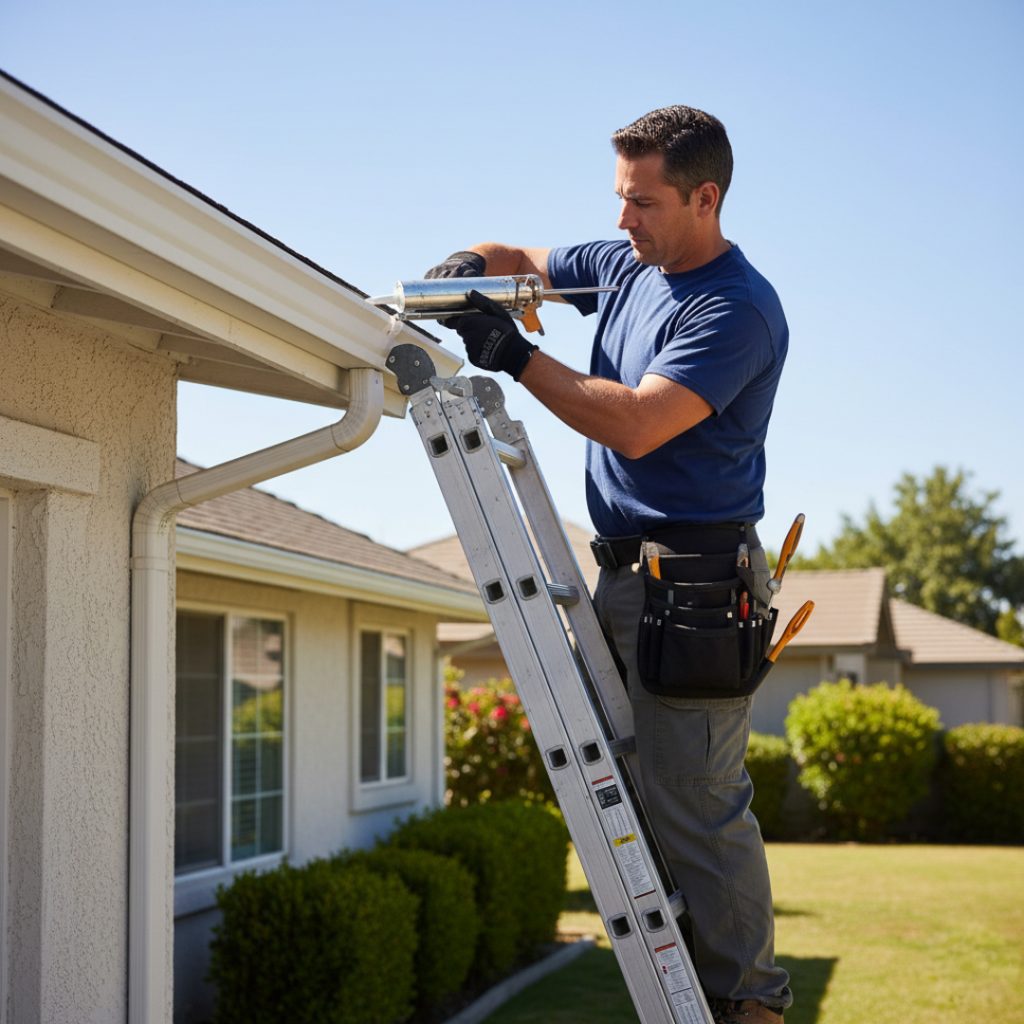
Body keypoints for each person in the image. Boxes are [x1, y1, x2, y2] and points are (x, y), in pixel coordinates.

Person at [425, 105, 791, 1024]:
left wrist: (513, 353)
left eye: (646, 202)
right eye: (620, 199)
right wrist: (463, 272)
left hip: (699, 585)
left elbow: (634, 423)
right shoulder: (632, 262)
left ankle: (753, 1006)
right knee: (638, 786)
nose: (624, 221)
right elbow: (522, 258)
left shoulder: (735, 308)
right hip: (627, 576)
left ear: (705, 199)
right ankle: (697, 992)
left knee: (699, 803)